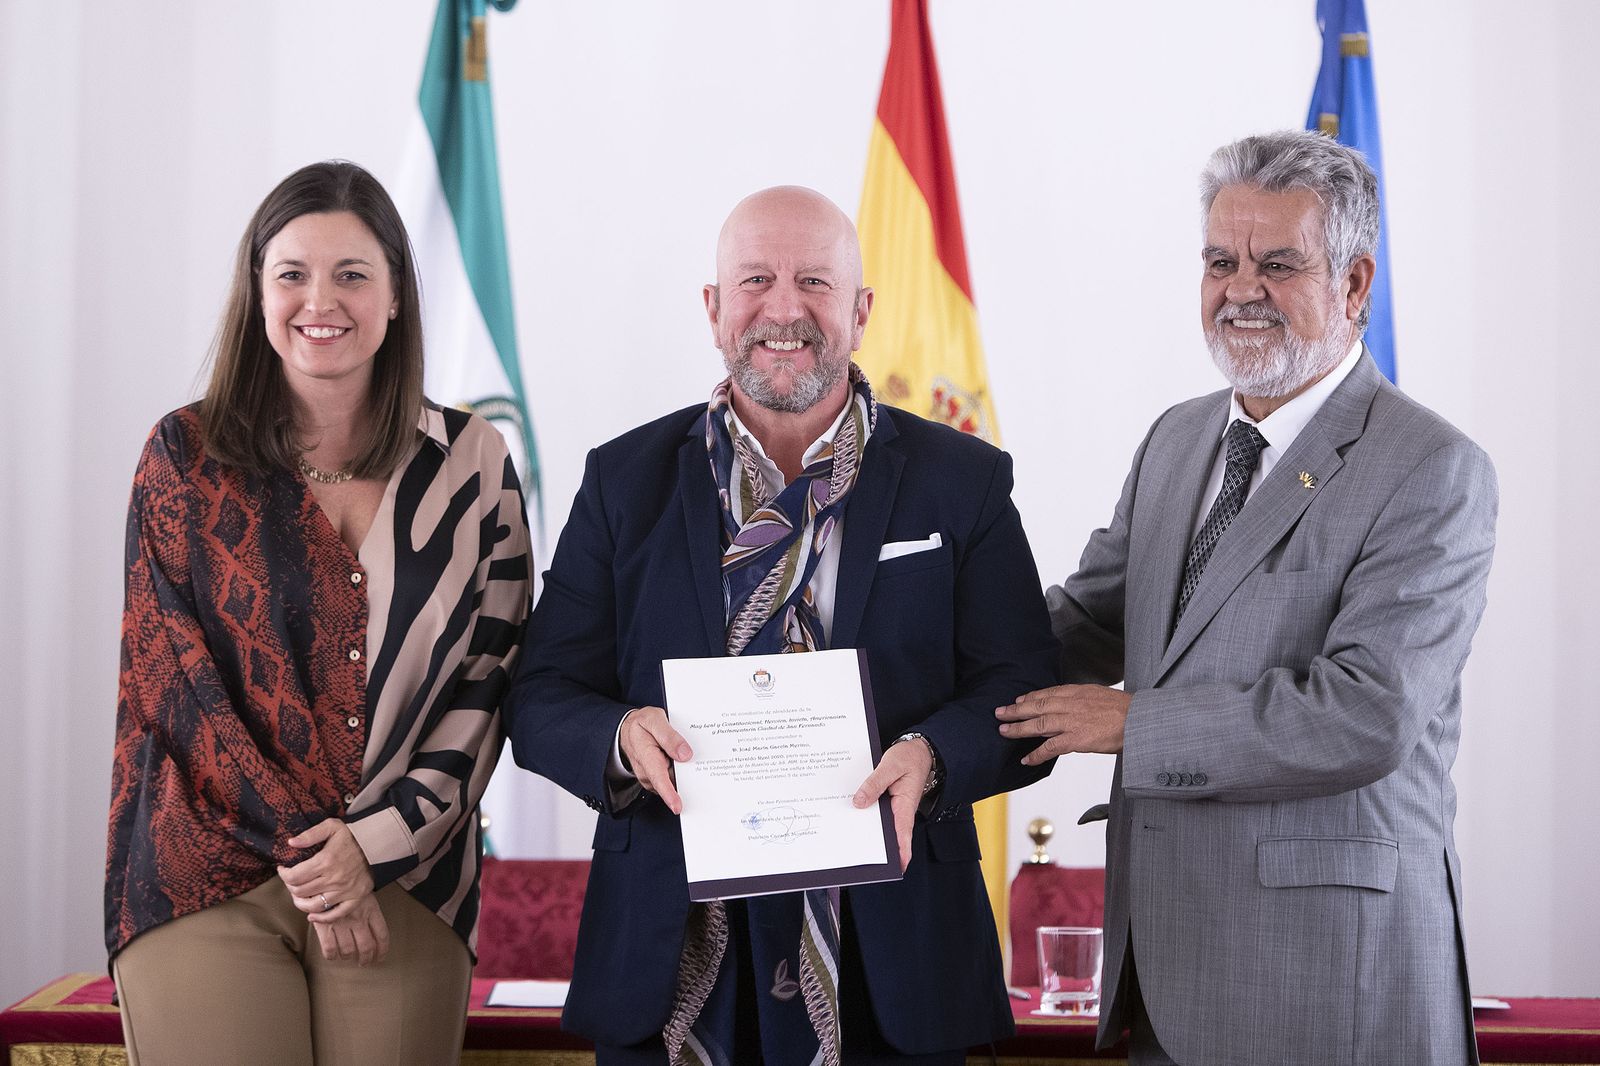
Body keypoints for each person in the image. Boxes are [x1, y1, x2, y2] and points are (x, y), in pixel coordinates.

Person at [504, 185, 1058, 1065]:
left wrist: (934, 758)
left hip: (897, 961)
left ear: (862, 310)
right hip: (672, 952)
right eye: (756, 280)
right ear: (715, 308)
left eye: (814, 281)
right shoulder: (623, 481)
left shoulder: (965, 481)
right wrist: (618, 734)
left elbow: (1023, 692)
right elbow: (539, 697)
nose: (785, 308)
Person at [996, 129, 1497, 1066]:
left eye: (1278, 264)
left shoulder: (1432, 469)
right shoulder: (1177, 441)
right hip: (1164, 980)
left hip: (1331, 989)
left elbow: (1367, 713)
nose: (1241, 290)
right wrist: (901, 679)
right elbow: (1089, 624)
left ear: (1354, 285)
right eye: (1221, 261)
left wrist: (1133, 726)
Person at [104, 160, 532, 1066]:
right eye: (291, 273)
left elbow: (490, 679)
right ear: (256, 291)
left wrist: (372, 849)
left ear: (395, 296)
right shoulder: (184, 454)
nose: (319, 300)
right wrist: (319, 859)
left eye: (351, 274)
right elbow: (178, 685)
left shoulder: (473, 461)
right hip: (207, 871)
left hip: (409, 875)